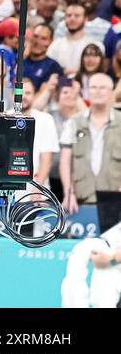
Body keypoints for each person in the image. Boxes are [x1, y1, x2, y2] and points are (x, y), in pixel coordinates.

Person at [61, 72, 121, 233]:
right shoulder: (74, 122)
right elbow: (66, 160)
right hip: (80, 199)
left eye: (103, 87)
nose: (98, 91)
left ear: (111, 91)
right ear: (87, 92)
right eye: (93, 87)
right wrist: (68, 192)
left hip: (115, 199)